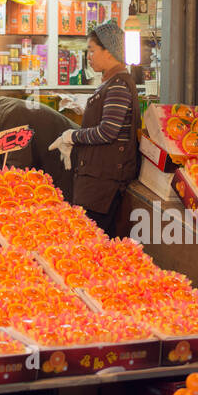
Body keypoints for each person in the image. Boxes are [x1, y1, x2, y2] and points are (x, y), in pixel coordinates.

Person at [48, 21, 139, 236]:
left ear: (109, 51)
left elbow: (108, 131)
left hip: (104, 186)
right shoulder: (111, 83)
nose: (89, 56)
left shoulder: (118, 85)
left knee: (92, 242)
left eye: (92, 50)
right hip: (97, 182)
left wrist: (72, 136)